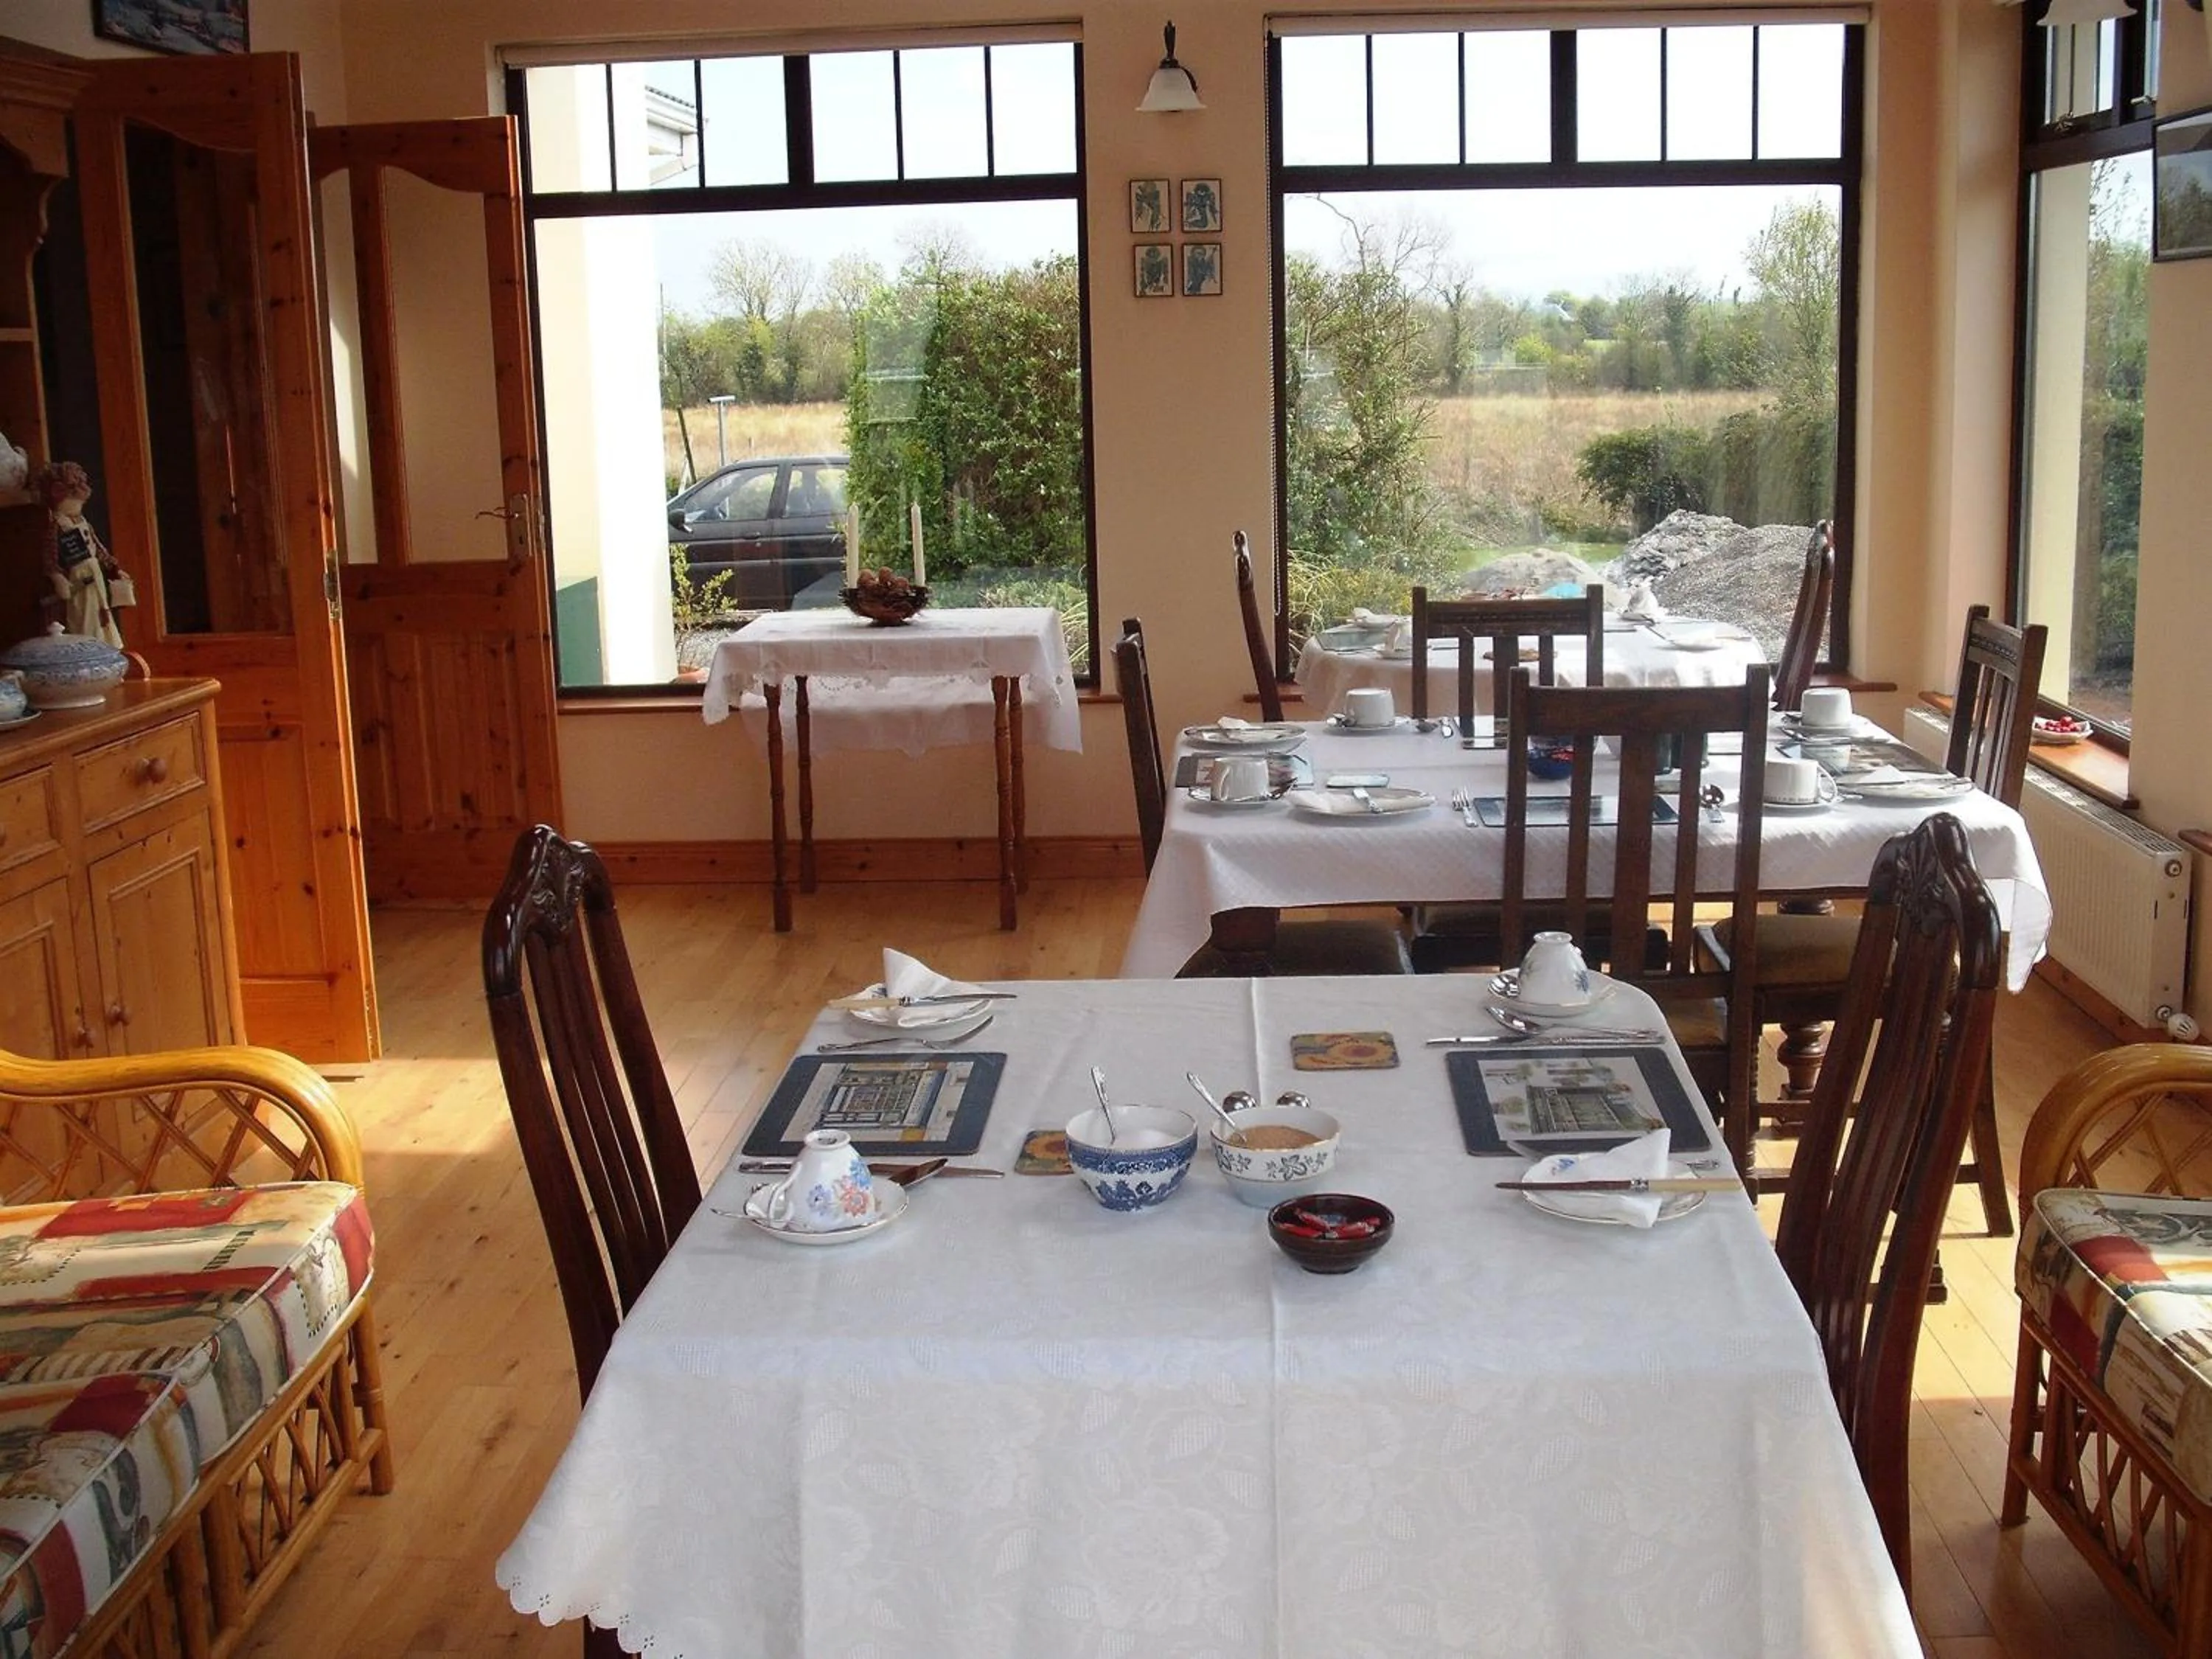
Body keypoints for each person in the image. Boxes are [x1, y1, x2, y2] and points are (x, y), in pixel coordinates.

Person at [35, 462, 132, 647]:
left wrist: (114, 569)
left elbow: (99, 548)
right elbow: (50, 556)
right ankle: (87, 647)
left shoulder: (83, 522)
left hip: (94, 573)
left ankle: (105, 646)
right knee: (84, 614)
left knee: (102, 611)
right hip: (78, 576)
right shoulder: (57, 526)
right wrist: (58, 578)